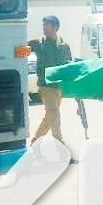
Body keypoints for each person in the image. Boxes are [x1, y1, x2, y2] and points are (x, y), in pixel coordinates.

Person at [29, 16, 74, 145]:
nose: (43, 27)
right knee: (53, 113)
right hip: (45, 85)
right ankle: (36, 142)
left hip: (59, 86)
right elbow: (20, 45)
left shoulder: (64, 45)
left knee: (54, 117)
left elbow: (68, 64)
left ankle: (57, 145)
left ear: (55, 27)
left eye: (46, 25)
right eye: (43, 25)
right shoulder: (38, 43)